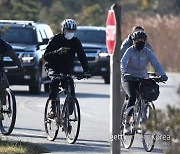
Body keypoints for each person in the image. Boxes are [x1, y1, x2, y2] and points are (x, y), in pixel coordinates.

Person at [120, 31, 168, 134]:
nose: (139, 42)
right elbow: (123, 63)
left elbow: (156, 64)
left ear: (145, 42)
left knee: (146, 96)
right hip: (129, 78)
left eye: (141, 41)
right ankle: (127, 124)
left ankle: (143, 117)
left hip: (142, 77)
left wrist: (163, 74)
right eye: (137, 41)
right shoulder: (129, 51)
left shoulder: (148, 52)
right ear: (133, 42)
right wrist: (124, 73)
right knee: (132, 97)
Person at [44, 19, 90, 116]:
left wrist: (86, 71)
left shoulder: (75, 41)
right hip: (53, 67)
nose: (70, 33)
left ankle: (67, 115)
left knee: (70, 86)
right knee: (55, 81)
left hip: (66, 69)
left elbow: (82, 56)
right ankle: (52, 107)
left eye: (72, 31)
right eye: (68, 30)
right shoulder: (55, 39)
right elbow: (46, 56)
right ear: (63, 30)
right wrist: (57, 52)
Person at [0, 38, 23, 119]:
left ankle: (1, 106)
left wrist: (19, 66)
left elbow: (13, 55)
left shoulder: (4, 45)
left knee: (4, 86)